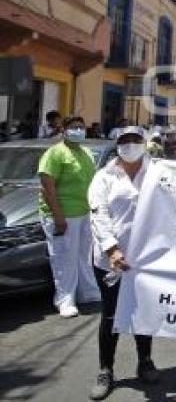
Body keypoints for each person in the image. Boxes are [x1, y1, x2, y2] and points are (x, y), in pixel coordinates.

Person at [86, 126, 159, 400]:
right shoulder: (103, 176)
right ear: (117, 144)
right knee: (111, 315)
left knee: (143, 312)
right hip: (111, 261)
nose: (130, 145)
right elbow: (98, 214)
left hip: (145, 259)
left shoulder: (157, 173)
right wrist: (113, 249)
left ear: (144, 143)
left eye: (135, 140)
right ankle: (106, 370)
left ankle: (146, 362)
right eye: (125, 141)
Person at [38, 116, 100, 317]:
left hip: (84, 212)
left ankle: (88, 292)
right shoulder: (54, 153)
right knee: (65, 257)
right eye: (73, 127)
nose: (78, 131)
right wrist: (58, 217)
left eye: (81, 127)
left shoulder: (86, 152)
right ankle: (65, 300)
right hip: (63, 214)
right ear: (63, 130)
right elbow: (48, 188)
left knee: (83, 255)